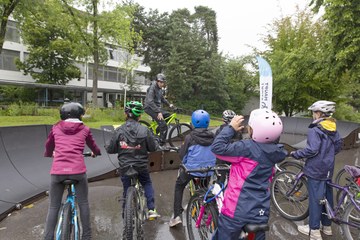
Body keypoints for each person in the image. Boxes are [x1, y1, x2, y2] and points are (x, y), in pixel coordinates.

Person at [211, 108, 287, 240]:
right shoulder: (277, 152)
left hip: (236, 211)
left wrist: (230, 128)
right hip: (260, 211)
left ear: (253, 130)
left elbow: (217, 148)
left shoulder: (246, 148)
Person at [43, 102, 101, 240]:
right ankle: (86, 236)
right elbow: (93, 145)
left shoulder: (56, 128)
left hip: (57, 173)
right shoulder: (85, 129)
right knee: (83, 204)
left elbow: (49, 145)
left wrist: (50, 153)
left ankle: (47, 237)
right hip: (78, 172)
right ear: (80, 115)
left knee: (53, 207)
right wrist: (96, 152)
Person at [290, 100, 342, 240]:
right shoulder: (333, 127)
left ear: (318, 113)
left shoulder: (315, 129)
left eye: (313, 112)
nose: (312, 115)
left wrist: (296, 154)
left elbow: (312, 150)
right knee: (327, 197)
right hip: (328, 169)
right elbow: (338, 146)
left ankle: (314, 230)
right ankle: (327, 227)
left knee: (316, 199)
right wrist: (327, 156)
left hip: (316, 169)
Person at [105, 101, 161, 219]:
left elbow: (111, 149)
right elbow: (153, 148)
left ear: (126, 114)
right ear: (140, 116)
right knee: (146, 183)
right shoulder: (145, 130)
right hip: (141, 166)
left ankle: (126, 212)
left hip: (125, 167)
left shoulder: (119, 130)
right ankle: (151, 209)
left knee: (126, 187)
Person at [169, 109, 216, 227]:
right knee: (205, 186)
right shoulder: (213, 136)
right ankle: (205, 208)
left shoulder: (189, 137)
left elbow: (182, 155)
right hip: (208, 170)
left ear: (193, 123)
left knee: (179, 186)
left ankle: (176, 216)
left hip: (192, 170)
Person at [144, 73, 174, 146]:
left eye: (163, 82)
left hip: (156, 108)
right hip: (149, 107)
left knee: (168, 116)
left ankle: (157, 132)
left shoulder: (160, 89)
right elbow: (150, 101)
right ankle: (161, 143)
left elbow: (162, 99)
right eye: (160, 82)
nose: (162, 84)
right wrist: (158, 112)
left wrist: (169, 104)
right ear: (157, 81)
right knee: (164, 126)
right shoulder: (152, 88)